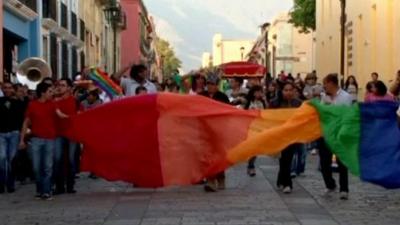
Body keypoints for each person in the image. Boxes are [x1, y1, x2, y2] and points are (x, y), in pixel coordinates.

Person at [19, 82, 68, 200]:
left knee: (47, 166)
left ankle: (46, 191)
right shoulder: (32, 105)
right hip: (36, 139)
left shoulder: (52, 104)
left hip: (50, 139)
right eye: (50, 91)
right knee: (36, 167)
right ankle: (40, 189)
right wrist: (22, 140)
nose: (52, 93)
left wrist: (74, 117)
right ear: (43, 93)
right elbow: (26, 122)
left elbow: (60, 115)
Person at [319, 73, 352, 200]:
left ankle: (344, 189)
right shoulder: (324, 97)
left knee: (342, 162)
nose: (324, 87)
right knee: (324, 162)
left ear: (332, 83)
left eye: (325, 83)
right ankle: (330, 184)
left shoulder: (346, 97)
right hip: (326, 133)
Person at [271, 82, 303, 194]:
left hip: (293, 135)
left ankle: (285, 182)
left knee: (287, 159)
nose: (288, 92)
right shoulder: (275, 103)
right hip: (279, 135)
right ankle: (285, 181)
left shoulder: (299, 103)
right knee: (283, 159)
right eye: (286, 90)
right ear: (282, 91)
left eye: (290, 90)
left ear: (294, 91)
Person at [200, 74, 230, 192]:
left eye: (213, 84)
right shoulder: (201, 96)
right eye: (208, 84)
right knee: (207, 156)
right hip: (205, 130)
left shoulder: (222, 97)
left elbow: (228, 112)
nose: (210, 87)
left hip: (219, 130)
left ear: (217, 85)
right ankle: (210, 180)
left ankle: (221, 177)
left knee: (219, 156)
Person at [53, 78, 81, 195]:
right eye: (59, 85)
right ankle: (59, 186)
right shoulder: (54, 101)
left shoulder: (75, 101)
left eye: (63, 85)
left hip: (71, 134)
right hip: (58, 133)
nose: (60, 87)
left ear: (69, 88)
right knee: (58, 159)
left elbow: (80, 116)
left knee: (70, 160)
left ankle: (70, 185)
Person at [0, 82, 26, 193]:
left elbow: (23, 119)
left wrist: (22, 137)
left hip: (14, 133)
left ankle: (10, 183)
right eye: (5, 88)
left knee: (11, 159)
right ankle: (1, 183)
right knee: (2, 157)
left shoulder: (18, 103)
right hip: (1, 133)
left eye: (10, 88)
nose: (7, 90)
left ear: (13, 90)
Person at [244, 85, 267, 177]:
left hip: (259, 128)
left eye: (260, 92)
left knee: (255, 148)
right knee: (251, 148)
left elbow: (267, 112)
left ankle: (250, 165)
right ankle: (251, 166)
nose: (259, 94)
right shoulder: (248, 102)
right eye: (257, 92)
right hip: (250, 127)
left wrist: (265, 100)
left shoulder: (262, 102)